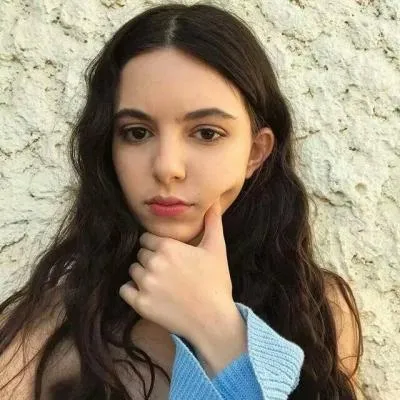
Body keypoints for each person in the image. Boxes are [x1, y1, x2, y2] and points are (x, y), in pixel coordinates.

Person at [0, 2, 364, 399]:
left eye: (206, 133)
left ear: (256, 152)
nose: (167, 167)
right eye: (137, 133)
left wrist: (218, 330)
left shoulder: (314, 309)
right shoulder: (46, 331)